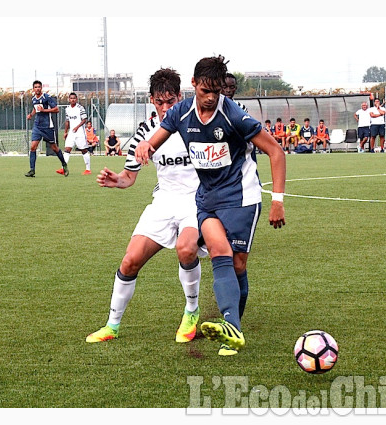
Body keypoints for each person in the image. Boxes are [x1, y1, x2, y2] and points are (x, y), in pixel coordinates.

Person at [135, 55, 286, 356]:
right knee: (220, 252)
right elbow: (157, 138)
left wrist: (278, 201)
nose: (211, 98)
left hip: (241, 197)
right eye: (205, 91)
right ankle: (233, 331)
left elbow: (276, 151)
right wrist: (146, 145)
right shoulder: (181, 112)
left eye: (216, 91)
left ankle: (233, 324)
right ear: (193, 85)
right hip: (207, 199)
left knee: (239, 264)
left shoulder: (234, 115)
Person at [86, 68, 203, 344]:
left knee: (186, 249)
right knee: (130, 261)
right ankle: (111, 326)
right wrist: (117, 180)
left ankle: (191, 311)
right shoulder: (145, 132)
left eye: (170, 101)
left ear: (181, 96)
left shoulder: (198, 125)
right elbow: (129, 177)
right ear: (152, 100)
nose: (165, 108)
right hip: (163, 202)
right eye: (159, 102)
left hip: (196, 201)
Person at [24, 80, 67, 177]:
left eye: (39, 87)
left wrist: (44, 110)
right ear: (33, 89)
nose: (37, 88)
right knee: (33, 147)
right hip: (37, 126)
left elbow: (56, 109)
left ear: (41, 88)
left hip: (47, 127)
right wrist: (31, 115)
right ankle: (32, 170)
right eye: (36, 87)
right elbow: (35, 108)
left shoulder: (46, 97)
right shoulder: (33, 99)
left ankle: (64, 164)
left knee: (54, 148)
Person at [59, 93, 91, 175]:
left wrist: (77, 127)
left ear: (76, 99)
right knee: (67, 149)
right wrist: (65, 132)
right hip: (71, 133)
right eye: (71, 98)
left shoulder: (80, 108)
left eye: (74, 98)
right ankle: (63, 168)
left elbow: (84, 119)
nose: (72, 100)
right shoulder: (67, 109)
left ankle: (88, 169)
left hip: (80, 132)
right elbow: (67, 121)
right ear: (69, 99)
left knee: (83, 150)